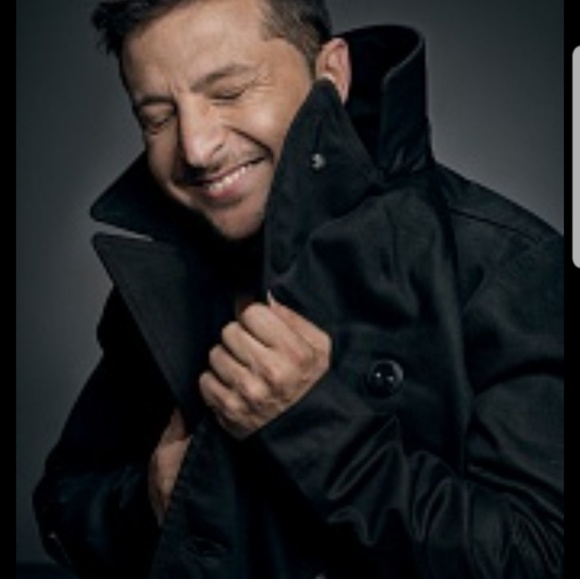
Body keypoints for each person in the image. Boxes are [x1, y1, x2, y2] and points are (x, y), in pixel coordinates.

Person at [32, 0, 564, 577]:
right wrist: (150, 505)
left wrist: (313, 426)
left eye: (229, 92)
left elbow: (539, 557)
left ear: (331, 72)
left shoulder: (507, 265)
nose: (196, 148)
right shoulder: (170, 274)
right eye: (157, 118)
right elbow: (65, 502)